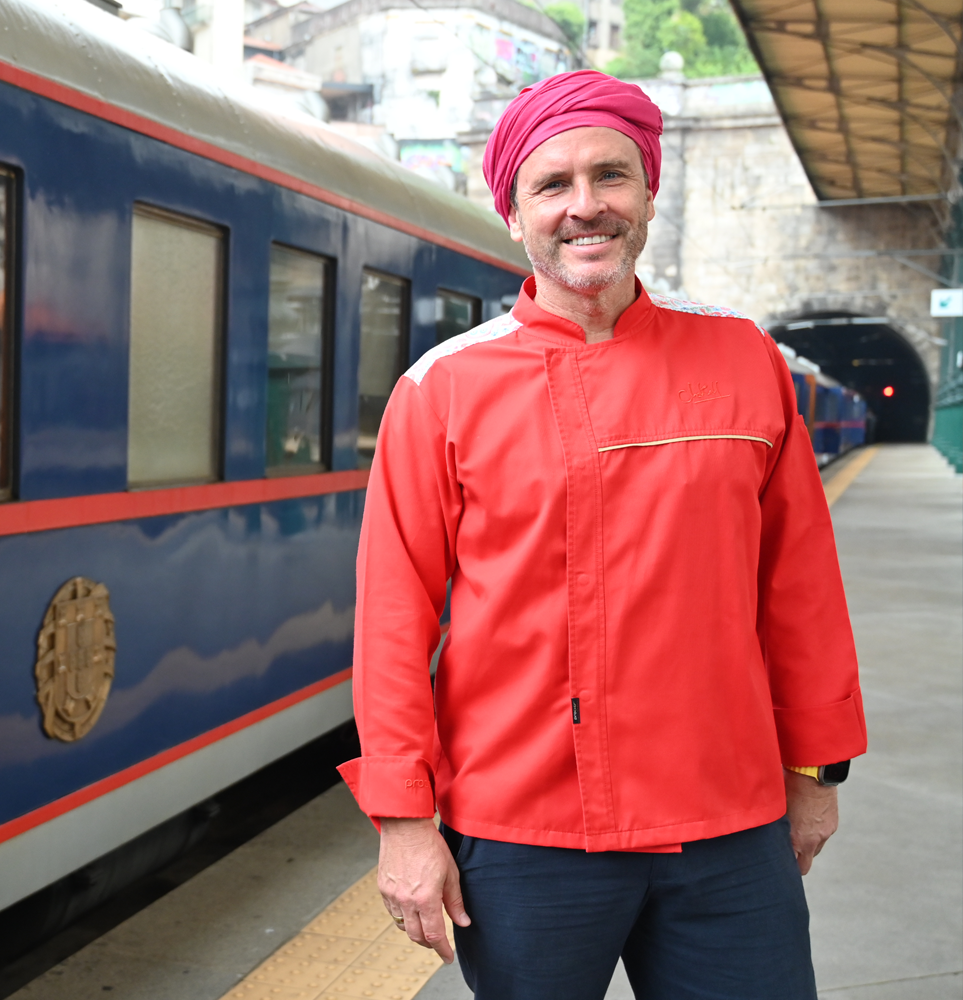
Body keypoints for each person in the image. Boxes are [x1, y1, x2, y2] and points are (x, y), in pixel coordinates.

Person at [337, 70, 866, 1000]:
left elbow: (800, 587)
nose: (586, 206)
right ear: (514, 217)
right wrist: (405, 822)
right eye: (553, 185)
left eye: (611, 175)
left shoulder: (742, 358)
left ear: (649, 193)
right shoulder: (440, 390)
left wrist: (815, 774)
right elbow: (392, 621)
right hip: (523, 832)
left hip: (729, 822)